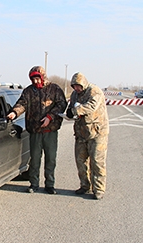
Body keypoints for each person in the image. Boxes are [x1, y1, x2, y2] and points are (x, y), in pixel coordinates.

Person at [7, 66, 67, 194]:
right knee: (34, 159)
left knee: (50, 159)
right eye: (32, 79)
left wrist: (50, 117)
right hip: (35, 131)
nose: (35, 81)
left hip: (50, 131)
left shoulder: (54, 89)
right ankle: (34, 184)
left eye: (37, 78)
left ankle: (50, 184)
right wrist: (14, 113)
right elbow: (22, 104)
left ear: (42, 77)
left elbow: (62, 104)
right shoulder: (28, 91)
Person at [66, 72, 109, 200]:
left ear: (83, 83)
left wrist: (75, 110)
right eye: (74, 86)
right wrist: (69, 112)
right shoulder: (74, 94)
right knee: (81, 161)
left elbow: (91, 106)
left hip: (97, 132)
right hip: (81, 133)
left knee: (97, 162)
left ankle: (99, 189)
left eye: (78, 86)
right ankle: (85, 185)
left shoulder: (94, 91)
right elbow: (71, 106)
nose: (76, 89)